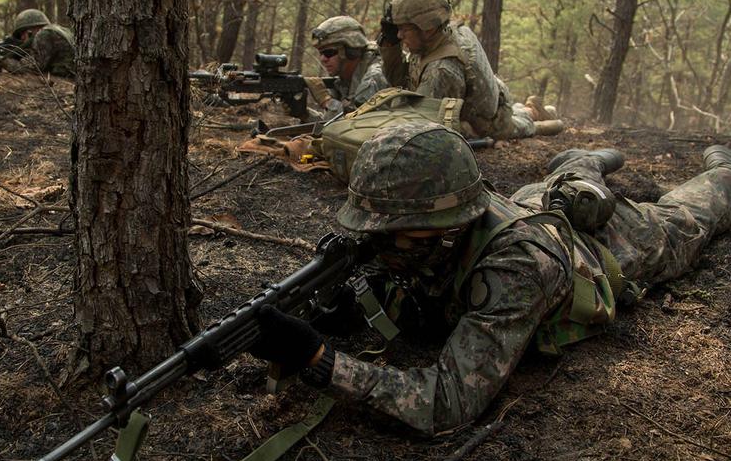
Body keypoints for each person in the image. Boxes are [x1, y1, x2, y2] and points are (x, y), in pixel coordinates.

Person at [249, 122, 731, 434]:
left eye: (393, 229)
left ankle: (721, 169)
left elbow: (447, 402)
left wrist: (320, 360)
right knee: (556, 186)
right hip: (529, 202)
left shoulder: (518, 268)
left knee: (688, 217)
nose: (378, 241)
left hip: (605, 244)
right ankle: (581, 163)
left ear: (449, 222)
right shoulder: (433, 229)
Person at [378, 0, 561, 140]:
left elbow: (422, 128)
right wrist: (390, 44)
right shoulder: (435, 37)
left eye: (404, 29)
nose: (399, 35)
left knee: (524, 126)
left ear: (427, 28)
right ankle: (527, 108)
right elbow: (402, 80)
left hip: (491, 121)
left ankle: (534, 111)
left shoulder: (442, 70)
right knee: (515, 112)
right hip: (485, 98)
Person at [307, 16, 388, 120]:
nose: (323, 59)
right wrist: (304, 114)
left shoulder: (375, 75)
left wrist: (327, 102)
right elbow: (332, 125)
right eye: (321, 53)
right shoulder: (343, 79)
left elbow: (361, 124)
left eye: (328, 53)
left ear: (350, 51)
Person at [0, 9, 75, 78]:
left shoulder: (43, 34)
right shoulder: (59, 30)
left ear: (30, 30)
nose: (22, 38)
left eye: (22, 33)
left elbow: (32, 69)